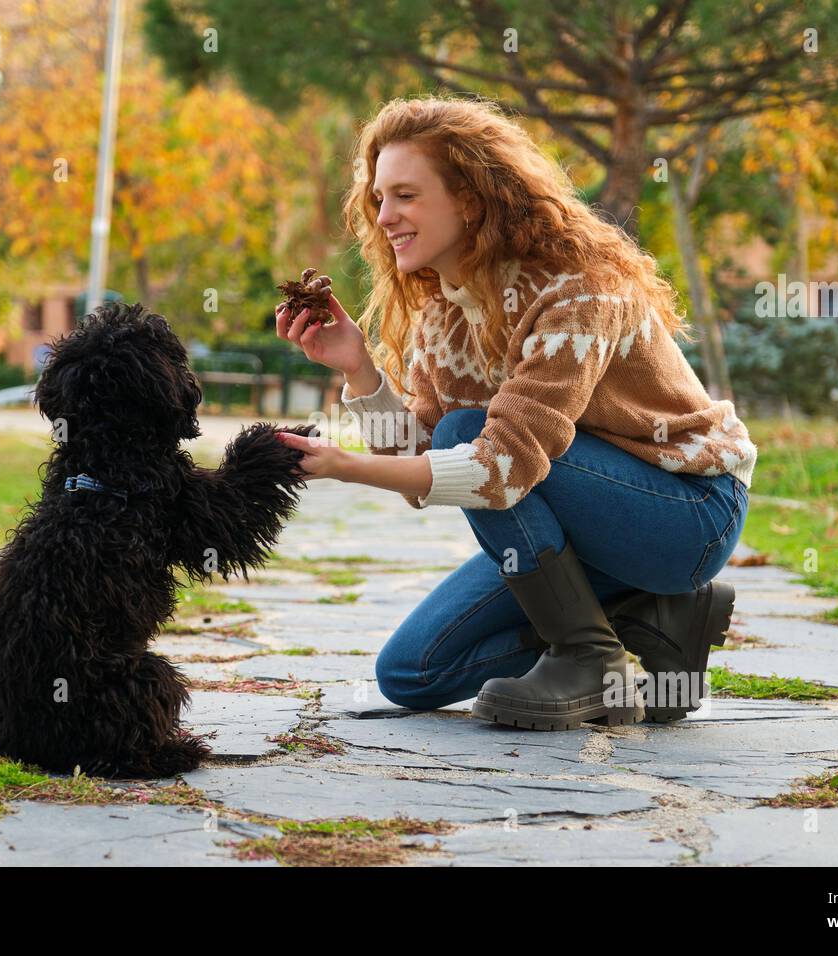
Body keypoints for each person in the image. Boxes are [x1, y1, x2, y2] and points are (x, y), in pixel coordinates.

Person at [273, 95, 756, 730]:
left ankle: (590, 660)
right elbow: (425, 458)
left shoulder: (579, 286)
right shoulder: (444, 310)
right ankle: (653, 620)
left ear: (470, 199)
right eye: (380, 199)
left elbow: (497, 468)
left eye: (406, 197)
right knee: (411, 674)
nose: (384, 216)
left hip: (685, 513)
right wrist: (357, 367)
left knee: (468, 431)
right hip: (586, 525)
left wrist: (345, 467)